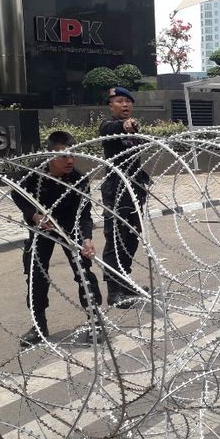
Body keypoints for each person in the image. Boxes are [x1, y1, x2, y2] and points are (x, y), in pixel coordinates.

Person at [12, 131, 103, 347]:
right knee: (36, 274)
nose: (70, 160)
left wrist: (86, 239)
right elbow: (17, 193)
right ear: (49, 155)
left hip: (71, 227)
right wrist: (33, 215)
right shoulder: (31, 173)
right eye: (64, 156)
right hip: (41, 227)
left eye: (73, 155)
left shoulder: (79, 179)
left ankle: (95, 321)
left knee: (83, 272)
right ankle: (39, 325)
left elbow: (84, 213)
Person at [99, 86, 150, 306]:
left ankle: (125, 281)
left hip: (134, 190)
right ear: (111, 105)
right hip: (116, 191)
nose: (125, 105)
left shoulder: (134, 131)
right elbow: (109, 129)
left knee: (130, 238)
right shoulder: (109, 126)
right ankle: (113, 291)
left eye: (128, 101)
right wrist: (124, 125)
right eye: (119, 101)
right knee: (115, 240)